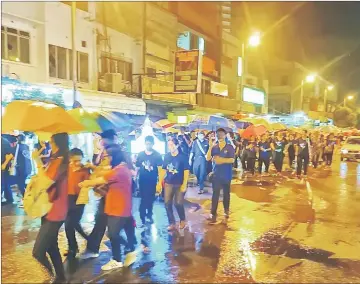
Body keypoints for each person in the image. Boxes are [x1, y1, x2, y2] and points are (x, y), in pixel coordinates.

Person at [79, 148, 134, 271]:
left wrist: (85, 183)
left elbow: (100, 180)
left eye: (108, 156)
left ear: (114, 157)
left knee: (113, 233)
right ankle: (126, 251)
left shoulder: (118, 171)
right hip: (117, 207)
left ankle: (120, 257)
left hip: (118, 208)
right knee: (112, 233)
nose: (107, 159)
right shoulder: (121, 169)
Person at [32, 133, 69, 283]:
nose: (50, 145)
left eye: (51, 142)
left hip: (55, 210)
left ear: (57, 144)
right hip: (49, 208)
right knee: (51, 246)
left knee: (38, 251)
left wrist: (37, 161)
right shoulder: (57, 159)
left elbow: (46, 181)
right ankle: (61, 277)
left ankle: (50, 276)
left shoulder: (60, 161)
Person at [157, 137, 189, 232]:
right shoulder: (167, 156)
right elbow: (163, 170)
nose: (170, 147)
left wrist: (184, 184)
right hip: (168, 183)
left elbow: (186, 171)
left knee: (178, 203)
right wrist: (159, 183)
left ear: (177, 145)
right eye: (169, 145)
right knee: (167, 203)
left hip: (179, 183)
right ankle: (172, 223)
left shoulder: (183, 156)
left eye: (172, 145)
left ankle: (182, 220)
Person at [64, 148, 90, 257]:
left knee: (70, 224)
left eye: (79, 160)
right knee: (71, 224)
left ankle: (73, 248)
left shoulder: (85, 170)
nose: (78, 163)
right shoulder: (66, 168)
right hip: (68, 198)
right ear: (70, 159)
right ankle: (83, 242)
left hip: (80, 199)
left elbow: (89, 183)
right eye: (75, 161)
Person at [206, 128, 235, 224]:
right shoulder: (214, 147)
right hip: (216, 175)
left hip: (227, 175)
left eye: (222, 134)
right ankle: (213, 213)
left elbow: (232, 160)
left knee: (226, 194)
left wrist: (220, 160)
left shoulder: (230, 147)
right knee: (215, 194)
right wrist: (210, 146)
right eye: (218, 134)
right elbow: (208, 158)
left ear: (225, 135)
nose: (219, 135)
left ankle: (226, 210)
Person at [136, 136, 163, 226]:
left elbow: (160, 169)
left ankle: (149, 214)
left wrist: (160, 182)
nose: (148, 145)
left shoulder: (157, 155)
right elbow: (137, 167)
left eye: (150, 144)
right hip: (142, 180)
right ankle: (142, 216)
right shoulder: (140, 155)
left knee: (151, 198)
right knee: (143, 198)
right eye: (147, 144)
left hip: (152, 180)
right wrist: (135, 178)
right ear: (145, 144)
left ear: (153, 144)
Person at [11, 134, 32, 208]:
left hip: (20, 168)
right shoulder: (27, 146)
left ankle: (26, 200)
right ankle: (27, 198)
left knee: (20, 185)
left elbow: (12, 155)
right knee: (23, 184)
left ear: (18, 139)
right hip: (28, 168)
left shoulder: (17, 146)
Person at [1, 136, 14, 204]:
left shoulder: (4, 142)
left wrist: (4, 164)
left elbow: (10, 155)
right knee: (5, 183)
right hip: (3, 166)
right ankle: (9, 199)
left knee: (2, 183)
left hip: (3, 166)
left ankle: (9, 199)